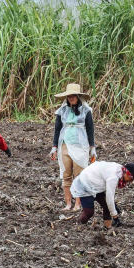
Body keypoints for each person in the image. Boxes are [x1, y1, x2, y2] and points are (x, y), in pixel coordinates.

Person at [49, 83, 96, 211]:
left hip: (80, 146)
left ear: (78, 96)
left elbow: (90, 130)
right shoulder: (62, 111)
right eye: (69, 96)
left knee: (79, 175)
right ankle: (68, 203)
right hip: (65, 145)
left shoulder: (86, 111)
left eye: (73, 96)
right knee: (66, 175)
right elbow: (57, 129)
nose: (71, 98)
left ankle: (77, 204)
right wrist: (54, 146)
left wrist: (93, 148)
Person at [70, 161, 134, 228]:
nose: (131, 181)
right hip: (85, 183)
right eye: (132, 178)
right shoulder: (113, 177)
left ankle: (108, 227)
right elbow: (109, 198)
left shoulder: (120, 171)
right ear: (127, 173)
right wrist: (115, 216)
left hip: (96, 183)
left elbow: (109, 199)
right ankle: (79, 226)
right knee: (89, 212)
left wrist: (113, 208)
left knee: (107, 206)